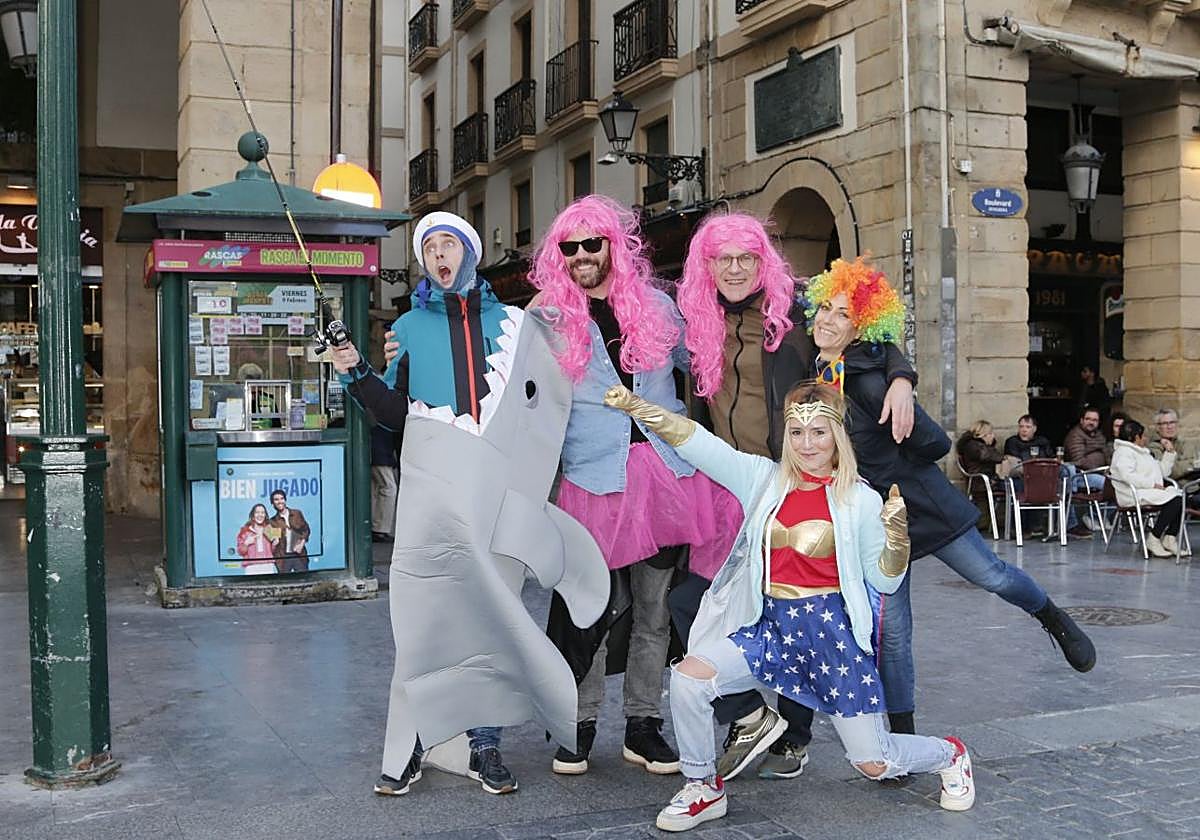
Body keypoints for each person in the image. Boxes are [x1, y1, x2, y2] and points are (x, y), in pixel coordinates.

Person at [602, 381, 976, 832]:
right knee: (688, 680)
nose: (807, 444)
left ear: (837, 435)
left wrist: (896, 539)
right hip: (772, 627)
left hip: (831, 639)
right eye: (797, 433)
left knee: (874, 762)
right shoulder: (764, 479)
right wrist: (639, 407)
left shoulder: (860, 499)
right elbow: (697, 443)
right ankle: (703, 785)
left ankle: (949, 752)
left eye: (818, 432)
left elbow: (885, 580)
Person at [803, 256, 1095, 737]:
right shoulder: (817, 376)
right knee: (893, 634)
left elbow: (937, 444)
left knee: (994, 576)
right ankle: (903, 736)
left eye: (843, 315)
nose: (828, 321)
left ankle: (1051, 616)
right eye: (826, 310)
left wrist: (903, 398)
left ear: (861, 327)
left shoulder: (874, 382)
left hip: (923, 506)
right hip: (875, 524)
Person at [671, 211, 916, 781]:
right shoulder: (696, 315)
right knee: (693, 601)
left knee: (801, 605)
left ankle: (800, 736)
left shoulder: (796, 306)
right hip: (735, 486)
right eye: (722, 259)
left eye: (745, 258)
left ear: (763, 261)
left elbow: (865, 334)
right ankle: (754, 715)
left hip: (794, 481)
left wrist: (902, 375)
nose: (734, 269)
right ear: (706, 266)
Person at [526, 194, 742, 777]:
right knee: (587, 608)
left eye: (590, 244)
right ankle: (580, 723)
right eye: (568, 248)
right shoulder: (546, 320)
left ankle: (644, 726)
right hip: (593, 480)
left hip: (665, 477)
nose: (580, 256)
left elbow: (708, 366)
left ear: (612, 246)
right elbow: (519, 397)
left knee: (654, 611)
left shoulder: (657, 307)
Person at [332, 211, 519, 796]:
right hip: (433, 489)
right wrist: (354, 371)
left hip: (496, 492)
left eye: (450, 244)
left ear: (469, 251)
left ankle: (484, 745)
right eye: (430, 247)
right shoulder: (409, 327)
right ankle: (412, 740)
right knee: (427, 619)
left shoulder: (512, 324)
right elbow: (395, 414)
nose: (440, 255)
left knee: (490, 621)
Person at [1111, 419, 1185, 558]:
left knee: (1180, 498)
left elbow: (1162, 472)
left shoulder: (1143, 452)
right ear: (1135, 437)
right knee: (1174, 500)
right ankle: (1154, 538)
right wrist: (1152, 484)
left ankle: (1169, 538)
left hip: (1148, 491)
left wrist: (1169, 452)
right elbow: (1128, 476)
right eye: (1143, 435)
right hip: (1132, 494)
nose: (1146, 438)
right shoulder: (1123, 453)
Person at [1148, 409, 1200, 482]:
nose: (1169, 427)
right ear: (1157, 427)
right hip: (1177, 487)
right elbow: (1168, 472)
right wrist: (1192, 464)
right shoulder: (1153, 447)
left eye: (1172, 422)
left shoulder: (1184, 442)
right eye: (1165, 423)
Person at [269, 489, 310, 573]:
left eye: (282, 498)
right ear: (272, 503)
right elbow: (275, 541)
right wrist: (274, 540)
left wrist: (301, 544)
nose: (280, 501)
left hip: (299, 555)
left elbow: (306, 530)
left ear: (285, 500)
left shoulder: (297, 513)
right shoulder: (272, 521)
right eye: (276, 499)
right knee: (284, 581)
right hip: (283, 557)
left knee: (303, 579)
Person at [370, 424, 399, 542]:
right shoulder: (388, 418)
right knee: (389, 489)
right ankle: (380, 529)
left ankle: (376, 527)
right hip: (381, 454)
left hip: (376, 452)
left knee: (376, 490)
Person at [236, 503, 279, 574]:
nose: (260, 515)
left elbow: (274, 551)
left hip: (267, 565)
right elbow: (240, 552)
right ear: (253, 515)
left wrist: (275, 544)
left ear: (265, 515)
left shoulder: (270, 529)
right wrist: (246, 543)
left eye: (262, 512)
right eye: (257, 512)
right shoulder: (245, 531)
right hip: (251, 566)